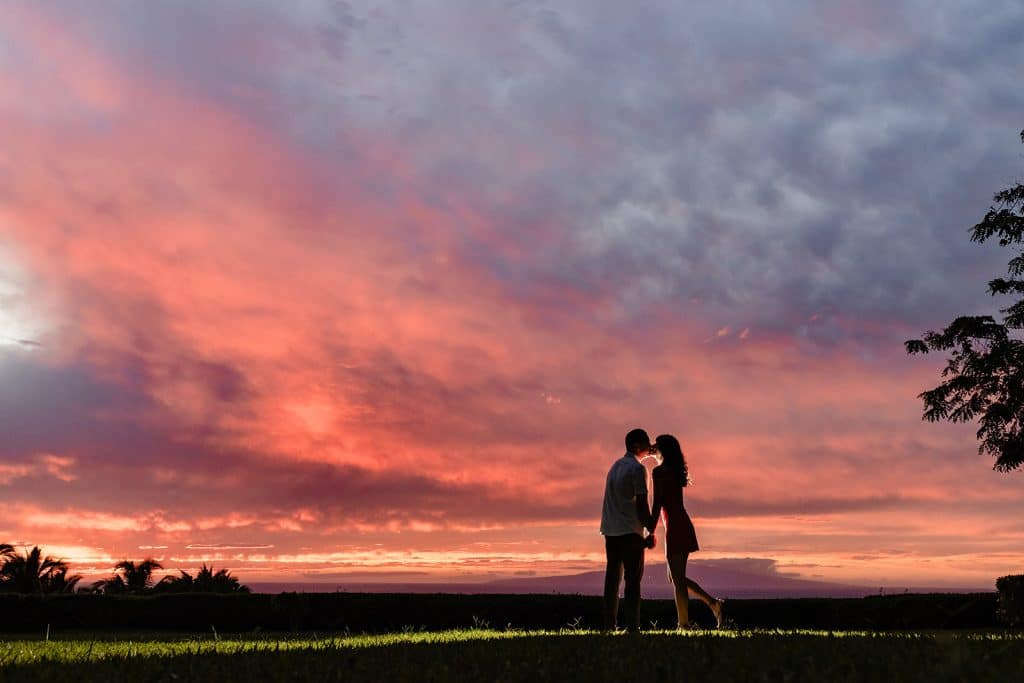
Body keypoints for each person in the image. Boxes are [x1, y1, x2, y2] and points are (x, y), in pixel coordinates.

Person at [649, 433, 724, 629]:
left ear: (663, 449)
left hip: (674, 526)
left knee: (677, 580)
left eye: (656, 444)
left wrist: (649, 528)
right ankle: (713, 604)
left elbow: (657, 504)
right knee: (675, 577)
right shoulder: (674, 470)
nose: (653, 446)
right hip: (680, 523)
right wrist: (652, 451)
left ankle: (684, 624)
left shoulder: (659, 472)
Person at [600, 428, 657, 632]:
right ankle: (633, 626)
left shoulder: (615, 467)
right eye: (646, 443)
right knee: (632, 580)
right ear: (636, 446)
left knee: (612, 579)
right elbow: (642, 505)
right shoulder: (638, 469)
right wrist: (650, 529)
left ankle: (609, 625)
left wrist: (651, 451)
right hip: (630, 532)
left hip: (610, 530)